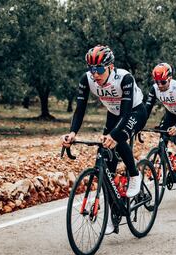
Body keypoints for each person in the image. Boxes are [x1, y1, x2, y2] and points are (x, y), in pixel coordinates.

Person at [61, 45, 147, 198]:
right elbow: (80, 109)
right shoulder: (86, 79)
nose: (95, 74)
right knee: (106, 157)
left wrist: (113, 135)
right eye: (91, 69)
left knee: (117, 140)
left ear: (111, 67)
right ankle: (113, 210)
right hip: (113, 113)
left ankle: (134, 175)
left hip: (134, 112)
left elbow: (126, 113)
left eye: (99, 70)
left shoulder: (124, 78)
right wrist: (72, 133)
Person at [145, 62, 176, 181]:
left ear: (170, 78)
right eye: (156, 82)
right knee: (163, 136)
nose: (159, 85)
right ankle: (165, 163)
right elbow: (146, 110)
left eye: (163, 82)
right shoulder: (155, 89)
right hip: (171, 114)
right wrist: (140, 125)